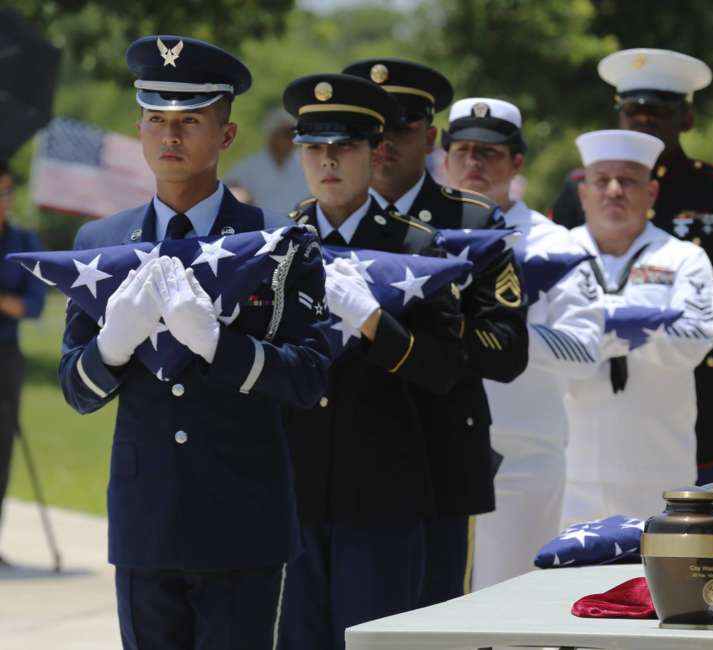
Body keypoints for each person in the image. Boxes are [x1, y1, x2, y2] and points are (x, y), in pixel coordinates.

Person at [57, 36, 333, 650]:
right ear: (139, 130)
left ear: (227, 137)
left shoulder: (278, 242)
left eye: (190, 122)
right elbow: (75, 390)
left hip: (242, 520)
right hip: (146, 520)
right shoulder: (100, 242)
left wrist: (218, 345)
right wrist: (111, 348)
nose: (170, 137)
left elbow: (310, 377)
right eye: (156, 120)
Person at [277, 73, 466, 650]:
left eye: (344, 146)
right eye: (314, 148)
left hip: (382, 494)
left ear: (375, 153)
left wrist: (376, 325)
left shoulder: (418, 247)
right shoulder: (272, 245)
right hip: (290, 495)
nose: (327, 161)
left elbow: (443, 370)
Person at [343, 59, 529, 605]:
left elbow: (507, 348)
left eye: (398, 128)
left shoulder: (473, 222)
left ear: (428, 137)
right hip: (342, 459)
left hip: (435, 454)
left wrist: (429, 336)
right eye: (368, 131)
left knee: (433, 621)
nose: (383, 143)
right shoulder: (323, 218)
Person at [550, 48, 713, 483]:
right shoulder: (582, 188)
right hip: (587, 407)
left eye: (659, 110)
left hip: (702, 404)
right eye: (633, 109)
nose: (644, 119)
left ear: (686, 118)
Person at [438, 97, 603, 588]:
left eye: (489, 153)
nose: (474, 163)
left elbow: (585, 350)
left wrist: (504, 331)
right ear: (444, 158)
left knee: (505, 609)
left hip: (520, 455)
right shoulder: (419, 239)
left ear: (515, 163)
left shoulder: (557, 246)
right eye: (463, 150)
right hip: (431, 451)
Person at [561, 129, 713, 525]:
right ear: (584, 194)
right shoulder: (555, 254)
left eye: (628, 180)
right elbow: (539, 343)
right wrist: (636, 325)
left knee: (649, 587)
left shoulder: (684, 258)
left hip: (657, 471)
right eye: (602, 180)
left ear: (651, 194)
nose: (614, 190)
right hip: (566, 472)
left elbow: (698, 334)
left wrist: (596, 328)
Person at [0, 162, 46, 565]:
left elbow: (31, 305)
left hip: (5, 357)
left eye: (5, 194)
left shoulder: (23, 241)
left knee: (1, 449)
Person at [225, 107, 308, 215]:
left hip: (301, 226)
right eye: (285, 134)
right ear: (272, 136)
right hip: (263, 227)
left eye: (293, 134)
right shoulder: (250, 165)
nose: (291, 139)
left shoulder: (307, 162)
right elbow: (232, 189)